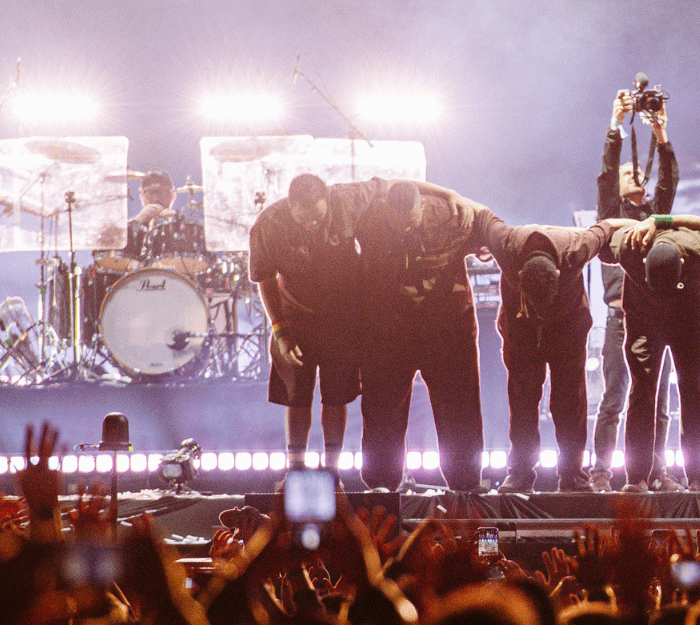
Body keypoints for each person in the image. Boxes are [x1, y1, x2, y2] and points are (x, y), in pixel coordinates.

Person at [354, 179, 492, 492]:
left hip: (446, 329)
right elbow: (383, 180)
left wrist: (453, 194)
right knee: (381, 410)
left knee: (460, 406)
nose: (404, 231)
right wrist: (450, 189)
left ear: (422, 208)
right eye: (396, 224)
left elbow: (491, 224)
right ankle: (380, 487)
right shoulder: (368, 214)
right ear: (386, 210)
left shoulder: (453, 216)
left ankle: (466, 484)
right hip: (388, 330)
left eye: (410, 223)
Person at [477, 212, 630, 493]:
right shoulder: (506, 245)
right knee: (522, 400)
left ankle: (572, 474)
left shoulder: (577, 247)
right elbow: (481, 217)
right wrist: (474, 245)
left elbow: (607, 226)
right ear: (519, 275)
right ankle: (521, 473)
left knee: (570, 401)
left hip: (567, 327)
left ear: (559, 274)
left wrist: (654, 224)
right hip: (522, 328)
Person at [247, 173, 374, 479]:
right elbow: (265, 278)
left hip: (343, 316)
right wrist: (280, 330)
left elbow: (385, 185)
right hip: (295, 316)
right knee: (297, 395)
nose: (311, 226)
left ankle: (332, 470)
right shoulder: (268, 224)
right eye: (304, 220)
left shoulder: (347, 199)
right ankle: (295, 468)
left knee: (337, 395)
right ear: (290, 206)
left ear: (327, 201)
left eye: (317, 219)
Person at [603, 214, 700, 491]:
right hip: (643, 323)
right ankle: (637, 479)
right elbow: (601, 229)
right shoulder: (631, 246)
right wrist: (637, 223)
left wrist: (663, 219)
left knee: (692, 393)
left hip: (688, 324)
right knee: (641, 393)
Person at [592, 88, 679, 491]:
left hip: (658, 314)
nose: (634, 175)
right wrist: (615, 124)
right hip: (618, 316)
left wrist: (660, 133)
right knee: (614, 398)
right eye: (629, 172)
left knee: (658, 403)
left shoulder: (657, 215)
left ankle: (656, 471)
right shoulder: (611, 215)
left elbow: (670, 178)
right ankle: (601, 472)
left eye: (638, 172)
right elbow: (607, 174)